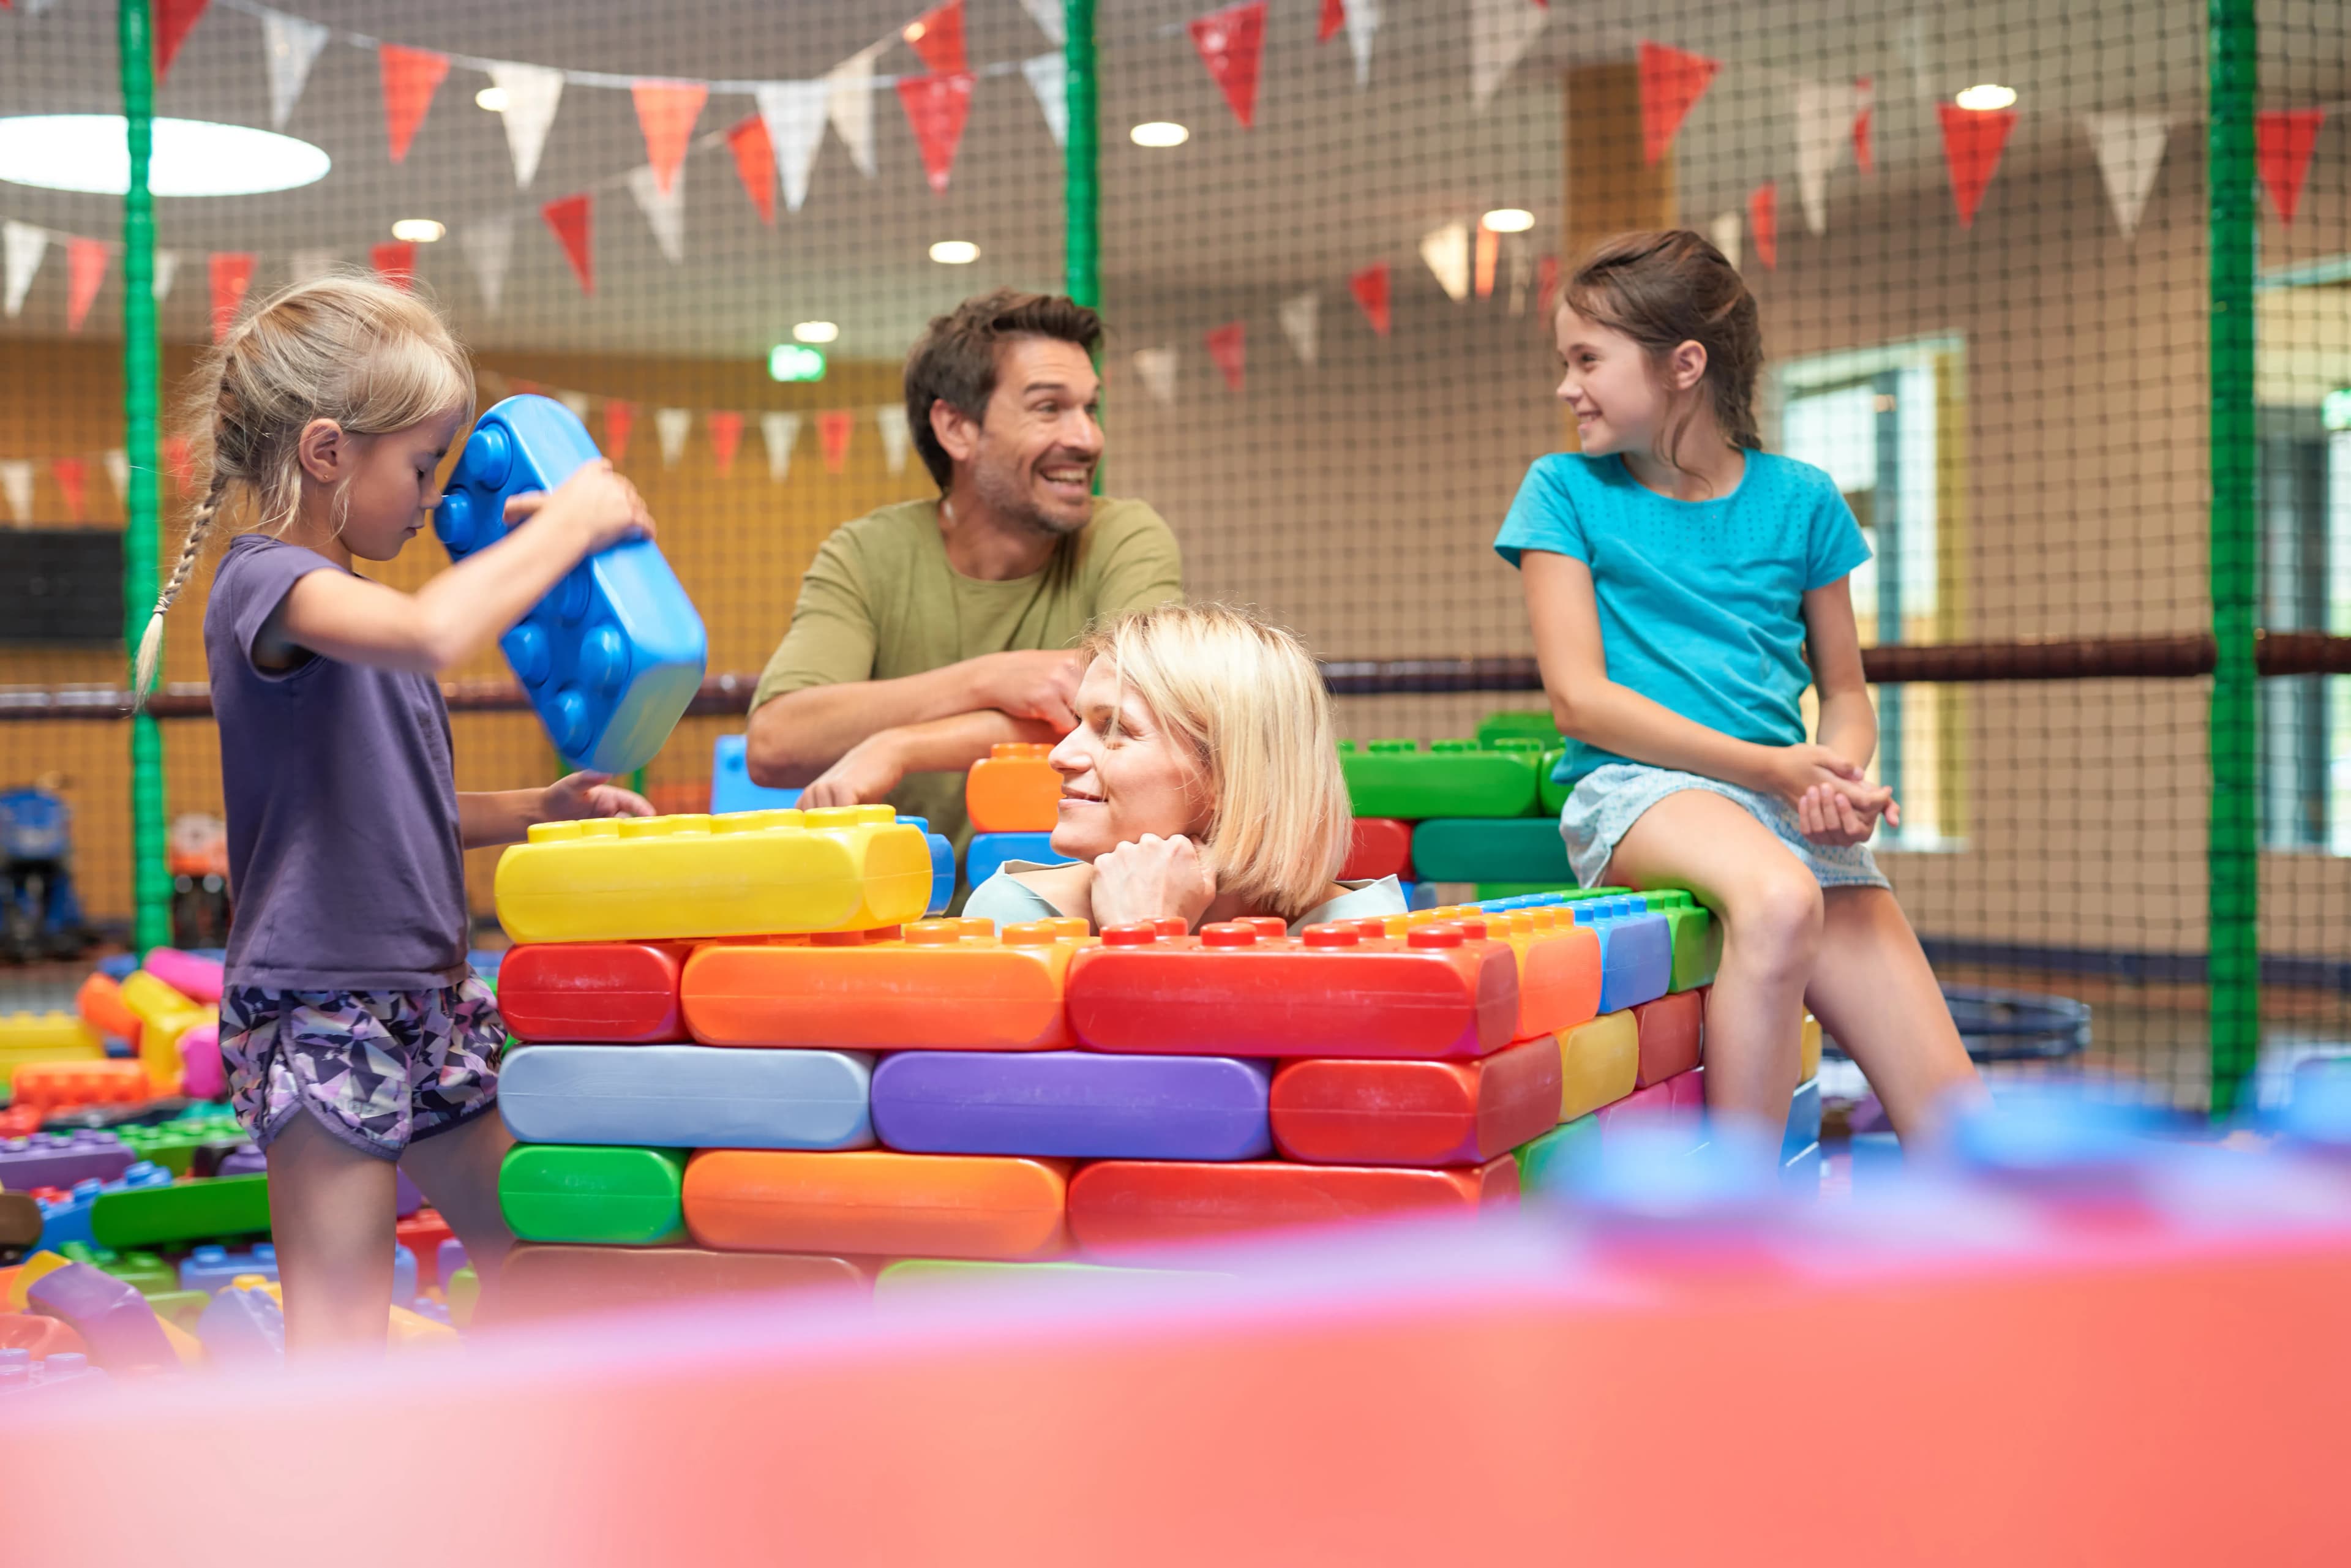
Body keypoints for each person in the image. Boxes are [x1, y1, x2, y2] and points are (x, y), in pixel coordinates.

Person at [132, 274, 656, 1350]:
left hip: (434, 992)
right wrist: (574, 523)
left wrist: (536, 807)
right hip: (322, 1002)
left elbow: (389, 802)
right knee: (342, 1327)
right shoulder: (270, 585)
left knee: (550, 1251)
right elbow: (430, 632)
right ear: (328, 453)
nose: (428, 498)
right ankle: (335, 1505)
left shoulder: (358, 604)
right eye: (421, 465)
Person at [1493, 230, 1982, 1152]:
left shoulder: (1800, 499)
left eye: (1587, 360)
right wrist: (1776, 770)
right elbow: (1583, 704)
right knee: (1779, 897)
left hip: (1783, 811)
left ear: (1685, 364)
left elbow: (1846, 693)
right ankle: (1735, 1228)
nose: (1566, 387)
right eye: (1566, 361)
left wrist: (1835, 777)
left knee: (1964, 1135)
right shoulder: (1561, 491)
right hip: (1641, 791)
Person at [745, 290, 1183, 848]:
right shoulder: (867, 553)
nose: (1088, 438)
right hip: (904, 915)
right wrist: (992, 678)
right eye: (1049, 408)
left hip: (1081, 906)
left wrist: (897, 746)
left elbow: (1141, 715)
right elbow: (776, 743)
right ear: (956, 428)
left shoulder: (1125, 536)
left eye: (1090, 408)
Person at [963, 602, 1403, 933]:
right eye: (1078, 722)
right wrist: (1146, 938)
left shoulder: (1360, 931)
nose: (1059, 755)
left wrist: (1145, 940)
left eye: (1114, 727)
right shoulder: (1014, 918)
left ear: (1227, 774)